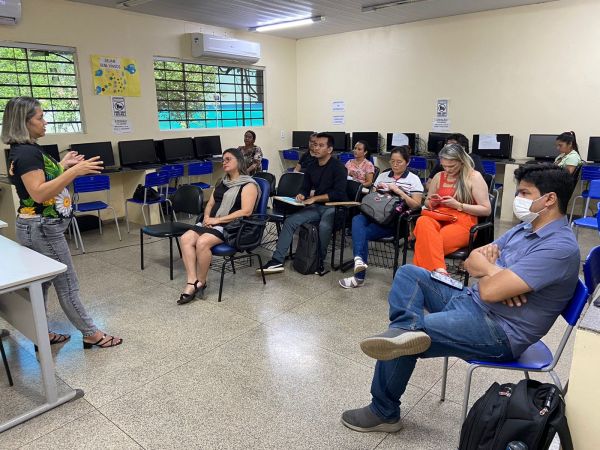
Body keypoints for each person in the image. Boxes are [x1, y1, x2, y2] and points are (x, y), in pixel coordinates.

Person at [341, 164, 580, 433]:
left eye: (525, 193)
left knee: (403, 340)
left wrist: (490, 273)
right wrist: (496, 273)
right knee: (410, 273)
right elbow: (471, 261)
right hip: (472, 300)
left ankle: (383, 411)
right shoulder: (525, 228)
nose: (518, 199)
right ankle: (404, 328)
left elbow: (489, 289)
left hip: (499, 330)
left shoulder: (559, 247)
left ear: (549, 199)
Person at [2, 96, 122, 349]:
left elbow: (38, 179)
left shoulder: (25, 150)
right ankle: (91, 333)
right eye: (40, 118)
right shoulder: (26, 153)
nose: (45, 122)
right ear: (24, 122)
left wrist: (61, 165)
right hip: (42, 229)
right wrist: (73, 172)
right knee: (67, 284)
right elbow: (39, 193)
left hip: (35, 225)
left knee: (42, 284)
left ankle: (41, 334)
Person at [178, 148, 259, 304]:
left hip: (232, 226)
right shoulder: (222, 182)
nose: (224, 162)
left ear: (239, 161)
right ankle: (192, 281)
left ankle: (201, 281)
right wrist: (208, 217)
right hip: (212, 222)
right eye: (223, 160)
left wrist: (218, 221)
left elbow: (246, 211)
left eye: (228, 159)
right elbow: (210, 204)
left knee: (202, 242)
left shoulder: (248, 185)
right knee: (186, 238)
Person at [258, 132, 347, 274]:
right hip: (317, 207)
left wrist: (315, 198)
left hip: (335, 207)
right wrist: (301, 194)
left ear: (329, 149)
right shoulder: (312, 166)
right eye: (315, 145)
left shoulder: (339, 167)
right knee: (290, 221)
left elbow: (339, 193)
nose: (316, 148)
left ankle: (318, 261)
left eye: (321, 145)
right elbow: (305, 187)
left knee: (324, 226)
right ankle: (277, 261)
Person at [339, 146, 423, 289]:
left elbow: (416, 206)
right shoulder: (383, 175)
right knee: (357, 219)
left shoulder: (413, 179)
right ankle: (359, 261)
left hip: (394, 222)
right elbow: (371, 197)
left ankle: (358, 276)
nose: (395, 165)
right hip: (375, 214)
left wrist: (398, 191)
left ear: (407, 162)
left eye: (399, 162)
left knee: (361, 233)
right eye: (392, 161)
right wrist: (378, 190)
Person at [413, 143, 491, 273]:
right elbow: (427, 201)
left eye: (452, 166)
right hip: (439, 216)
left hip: (463, 222)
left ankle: (427, 276)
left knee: (426, 244)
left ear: (462, 161)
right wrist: (431, 202)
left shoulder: (474, 177)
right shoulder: (438, 176)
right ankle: (439, 272)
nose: (447, 170)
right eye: (444, 166)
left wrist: (459, 205)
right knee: (422, 221)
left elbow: (486, 209)